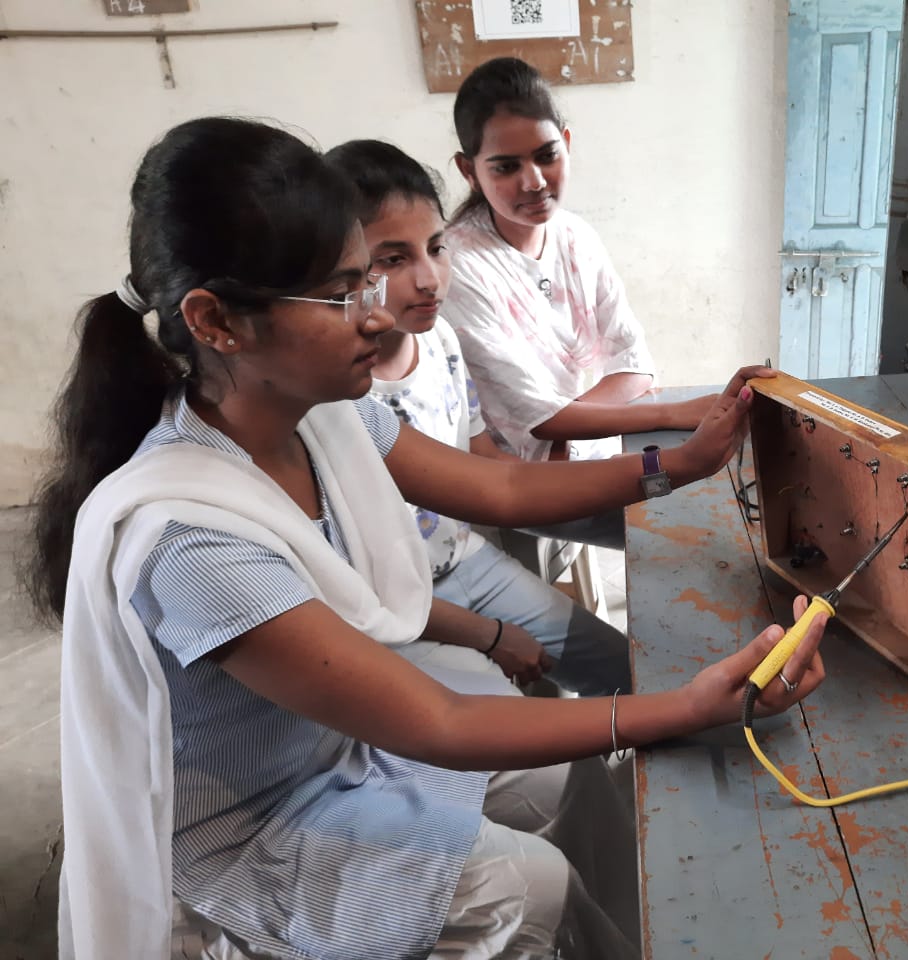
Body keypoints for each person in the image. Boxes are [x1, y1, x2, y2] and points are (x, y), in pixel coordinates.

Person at [26, 117, 827, 960]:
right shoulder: (190, 540)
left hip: (335, 748)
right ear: (217, 321)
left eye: (365, 279)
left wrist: (679, 464)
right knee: (526, 885)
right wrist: (686, 707)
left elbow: (501, 486)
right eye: (342, 294)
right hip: (254, 825)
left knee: (573, 775)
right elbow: (436, 722)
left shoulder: (322, 418)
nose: (377, 316)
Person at [324, 138, 630, 696]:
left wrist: (641, 478)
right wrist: (490, 636)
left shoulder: (440, 339)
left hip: (465, 560)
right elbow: (357, 587)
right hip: (393, 614)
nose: (429, 279)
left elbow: (489, 465)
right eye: (393, 260)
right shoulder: (332, 394)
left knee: (621, 669)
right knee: (528, 730)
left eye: (436, 248)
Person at [446, 56, 717, 550]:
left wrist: (565, 428)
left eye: (546, 155)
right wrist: (674, 413)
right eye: (506, 167)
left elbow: (634, 368)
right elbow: (538, 420)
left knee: (721, 486)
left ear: (566, 144)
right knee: (687, 526)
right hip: (516, 476)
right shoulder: (459, 267)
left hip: (575, 450)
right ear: (469, 171)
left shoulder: (575, 237)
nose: (534, 181)